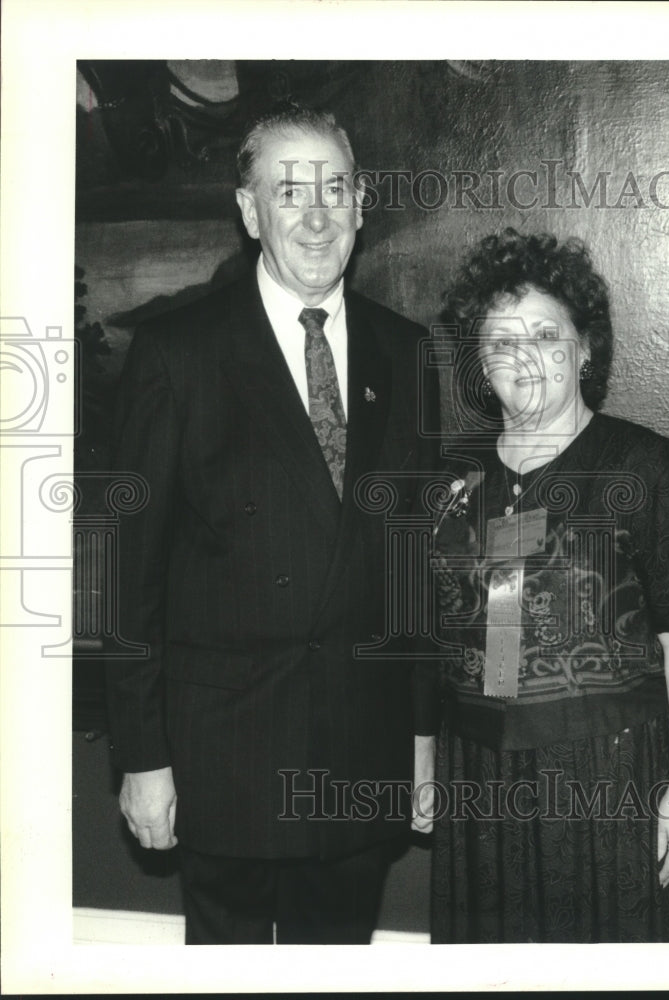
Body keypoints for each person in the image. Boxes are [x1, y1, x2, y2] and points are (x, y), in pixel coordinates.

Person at [106, 107, 438, 945]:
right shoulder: (175, 355)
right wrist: (143, 758)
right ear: (250, 213)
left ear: (362, 206)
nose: (316, 214)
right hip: (228, 757)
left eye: (334, 189)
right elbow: (130, 575)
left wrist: (423, 735)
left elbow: (416, 566)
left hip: (362, 751)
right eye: (289, 192)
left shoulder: (407, 353)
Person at [417, 229, 669, 943]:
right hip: (478, 778)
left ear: (585, 348)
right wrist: (422, 756)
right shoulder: (449, 477)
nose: (521, 357)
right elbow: (424, 639)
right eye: (498, 341)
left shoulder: (645, 466)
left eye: (546, 334)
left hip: (607, 776)